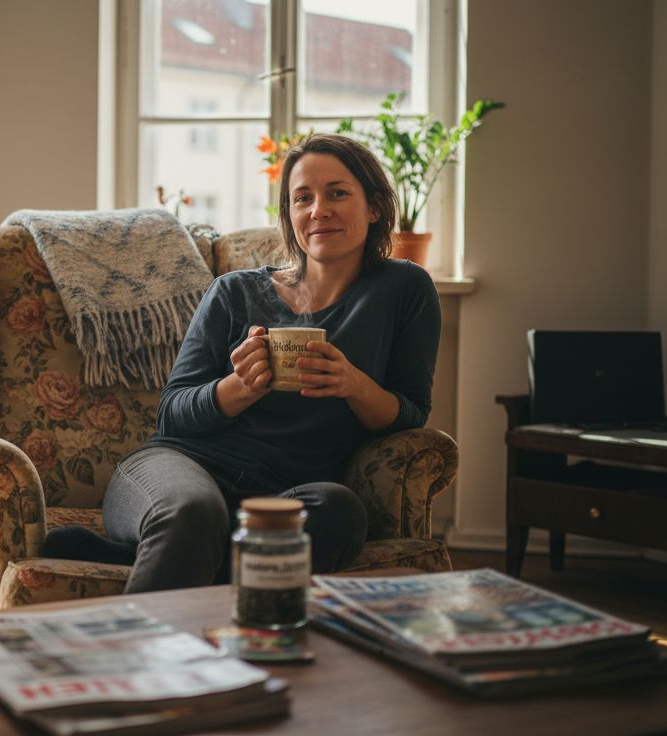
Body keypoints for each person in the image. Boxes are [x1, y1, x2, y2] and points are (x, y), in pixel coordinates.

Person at [41, 133, 441, 592]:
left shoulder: (403, 289)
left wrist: (353, 384)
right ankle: (146, 649)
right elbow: (173, 413)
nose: (318, 210)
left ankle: (156, 555)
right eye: (302, 198)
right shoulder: (235, 292)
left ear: (373, 207)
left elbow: (411, 412)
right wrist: (238, 388)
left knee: (341, 510)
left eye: (337, 193)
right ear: (289, 216)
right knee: (192, 511)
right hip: (179, 467)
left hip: (285, 491)